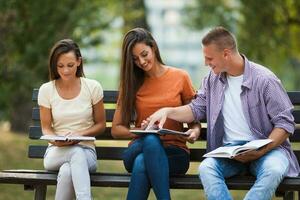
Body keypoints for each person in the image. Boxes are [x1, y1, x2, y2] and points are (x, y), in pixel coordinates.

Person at [146, 26, 300, 200]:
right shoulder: (212, 80)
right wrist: (168, 111)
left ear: (226, 54)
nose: (206, 63)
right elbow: (196, 109)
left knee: (274, 169)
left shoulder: (265, 80)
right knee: (206, 168)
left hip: (267, 150)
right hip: (229, 153)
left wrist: (261, 150)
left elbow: (285, 123)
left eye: (209, 58)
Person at [111, 27, 200, 200]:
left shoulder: (180, 77)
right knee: (150, 140)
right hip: (138, 148)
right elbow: (116, 129)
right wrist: (143, 132)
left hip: (174, 153)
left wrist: (195, 132)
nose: (142, 62)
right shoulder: (131, 83)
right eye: (135, 59)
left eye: (144, 54)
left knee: (142, 163)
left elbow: (194, 118)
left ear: (153, 47)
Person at [38, 39, 106, 200]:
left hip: (87, 153)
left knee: (68, 170)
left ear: (78, 61)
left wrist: (79, 134)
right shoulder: (47, 90)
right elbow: (46, 128)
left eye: (70, 65)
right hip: (55, 152)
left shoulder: (93, 87)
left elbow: (101, 125)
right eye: (60, 66)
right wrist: (56, 141)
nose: (65, 71)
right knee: (74, 154)